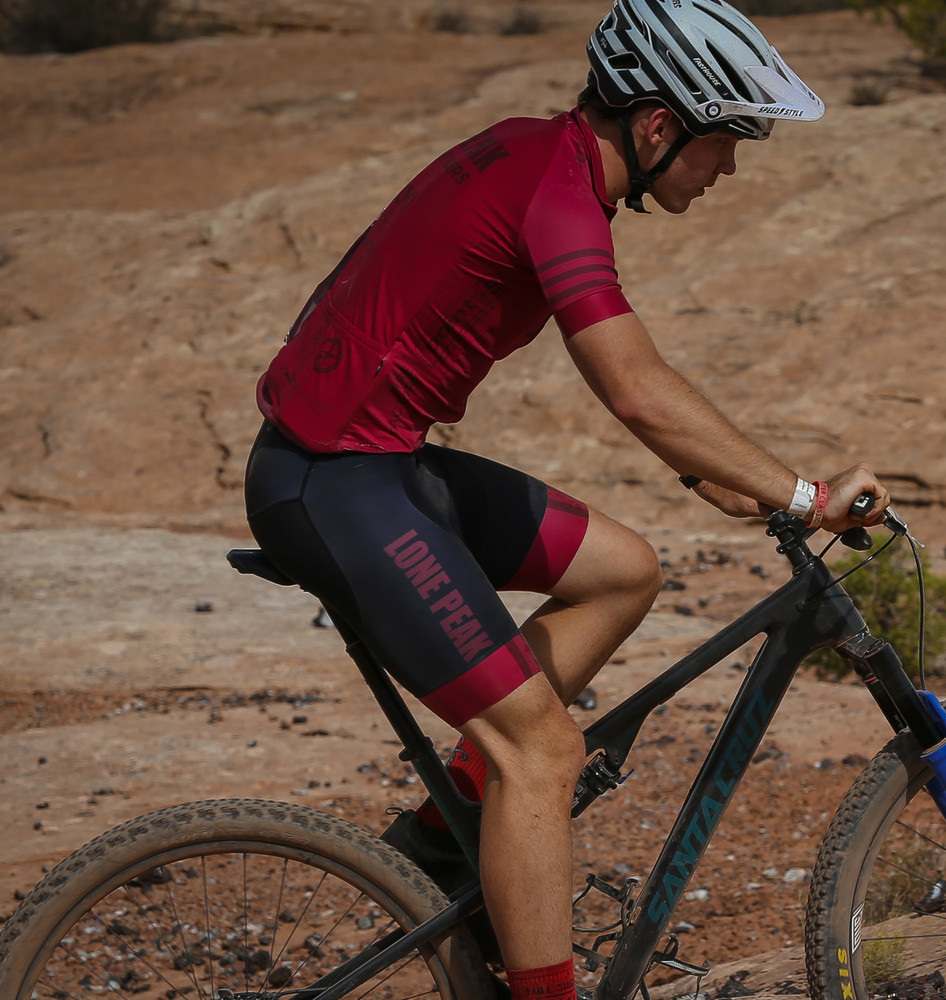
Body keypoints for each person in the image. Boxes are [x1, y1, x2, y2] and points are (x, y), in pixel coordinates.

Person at [242, 1, 892, 997]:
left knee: (624, 571)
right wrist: (805, 495)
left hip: (370, 464)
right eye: (725, 141)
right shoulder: (559, 195)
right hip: (334, 483)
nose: (729, 168)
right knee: (544, 749)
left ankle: (447, 840)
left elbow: (629, 385)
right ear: (660, 125)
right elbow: (634, 386)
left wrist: (710, 473)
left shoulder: (539, 153)